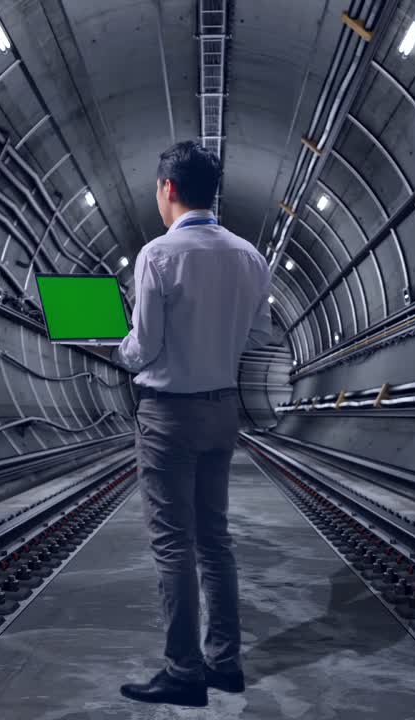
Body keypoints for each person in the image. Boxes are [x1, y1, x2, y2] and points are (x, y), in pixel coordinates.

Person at [103, 141, 273, 707]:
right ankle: (225, 663)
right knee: (215, 541)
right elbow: (260, 335)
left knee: (173, 544)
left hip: (169, 415)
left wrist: (114, 345)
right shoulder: (250, 257)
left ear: (168, 188)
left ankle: (183, 671)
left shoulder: (157, 255)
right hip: (222, 410)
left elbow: (144, 348)